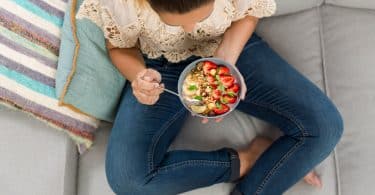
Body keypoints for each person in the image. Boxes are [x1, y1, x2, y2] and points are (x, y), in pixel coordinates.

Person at [77, 0, 344, 194]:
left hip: (229, 47)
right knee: (128, 180)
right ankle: (250, 159)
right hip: (161, 66)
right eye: (178, 23)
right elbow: (119, 47)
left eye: (201, 17)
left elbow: (249, 13)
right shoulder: (119, 4)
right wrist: (139, 77)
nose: (192, 28)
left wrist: (226, 60)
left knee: (325, 126)